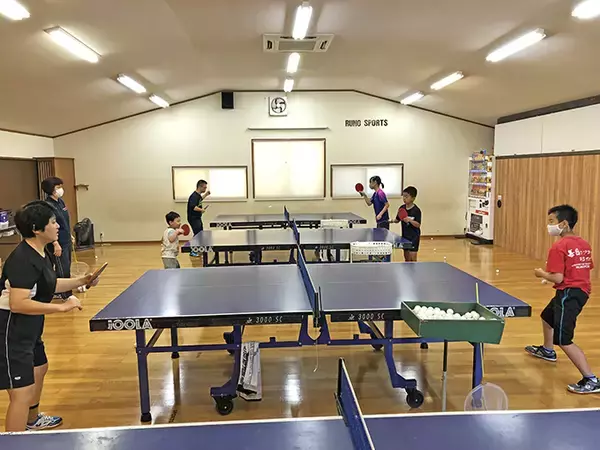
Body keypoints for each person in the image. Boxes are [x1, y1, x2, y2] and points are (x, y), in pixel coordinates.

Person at [0, 201, 100, 432]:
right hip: (10, 331)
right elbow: (18, 303)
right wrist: (61, 308)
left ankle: (32, 420)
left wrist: (82, 281)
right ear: (37, 229)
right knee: (21, 394)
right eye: (53, 222)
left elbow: (49, 283)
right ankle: (15, 442)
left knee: (40, 367)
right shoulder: (22, 260)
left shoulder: (40, 252)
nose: (58, 226)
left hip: (30, 326)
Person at [525, 204, 598, 394]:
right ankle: (547, 350)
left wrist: (541, 273)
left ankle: (591, 379)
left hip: (569, 294)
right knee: (547, 317)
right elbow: (583, 268)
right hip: (580, 290)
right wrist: (553, 276)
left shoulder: (558, 246)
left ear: (564, 223)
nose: (548, 225)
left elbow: (558, 278)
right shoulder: (584, 243)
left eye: (551, 221)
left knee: (564, 339)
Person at [41, 177, 75, 300]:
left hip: (65, 239)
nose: (61, 189)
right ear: (51, 189)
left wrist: (70, 234)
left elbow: (64, 221)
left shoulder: (61, 202)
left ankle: (59, 291)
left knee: (67, 266)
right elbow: (49, 226)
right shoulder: (48, 205)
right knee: (62, 269)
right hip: (57, 242)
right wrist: (55, 243)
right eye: (57, 187)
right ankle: (65, 294)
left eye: (61, 186)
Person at [393, 186, 422, 262]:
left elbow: (418, 225)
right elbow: (397, 220)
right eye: (403, 196)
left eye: (406, 196)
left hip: (414, 237)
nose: (404, 198)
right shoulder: (402, 208)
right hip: (405, 237)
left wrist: (410, 220)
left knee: (413, 259)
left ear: (413, 198)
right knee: (407, 259)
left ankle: (414, 269)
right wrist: (391, 221)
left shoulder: (416, 210)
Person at [187, 180, 210, 257]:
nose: (205, 189)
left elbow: (199, 200)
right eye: (204, 187)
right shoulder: (194, 196)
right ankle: (192, 251)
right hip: (193, 218)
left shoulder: (198, 195)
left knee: (199, 233)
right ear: (200, 187)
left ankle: (197, 249)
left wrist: (206, 195)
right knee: (197, 234)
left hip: (197, 218)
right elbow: (193, 207)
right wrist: (201, 210)